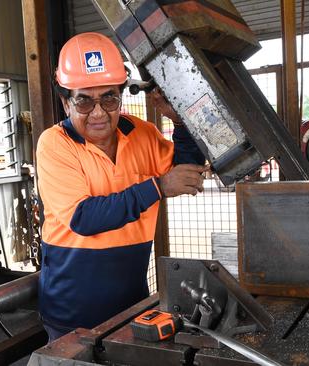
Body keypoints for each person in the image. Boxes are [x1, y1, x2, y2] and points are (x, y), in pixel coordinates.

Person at [36, 32, 207, 341]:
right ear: (65, 102)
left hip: (132, 306)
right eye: (84, 100)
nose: (99, 112)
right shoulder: (54, 145)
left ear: (121, 96)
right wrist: (157, 187)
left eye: (109, 97)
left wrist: (181, 121)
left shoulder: (141, 133)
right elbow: (83, 218)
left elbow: (186, 167)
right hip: (71, 315)